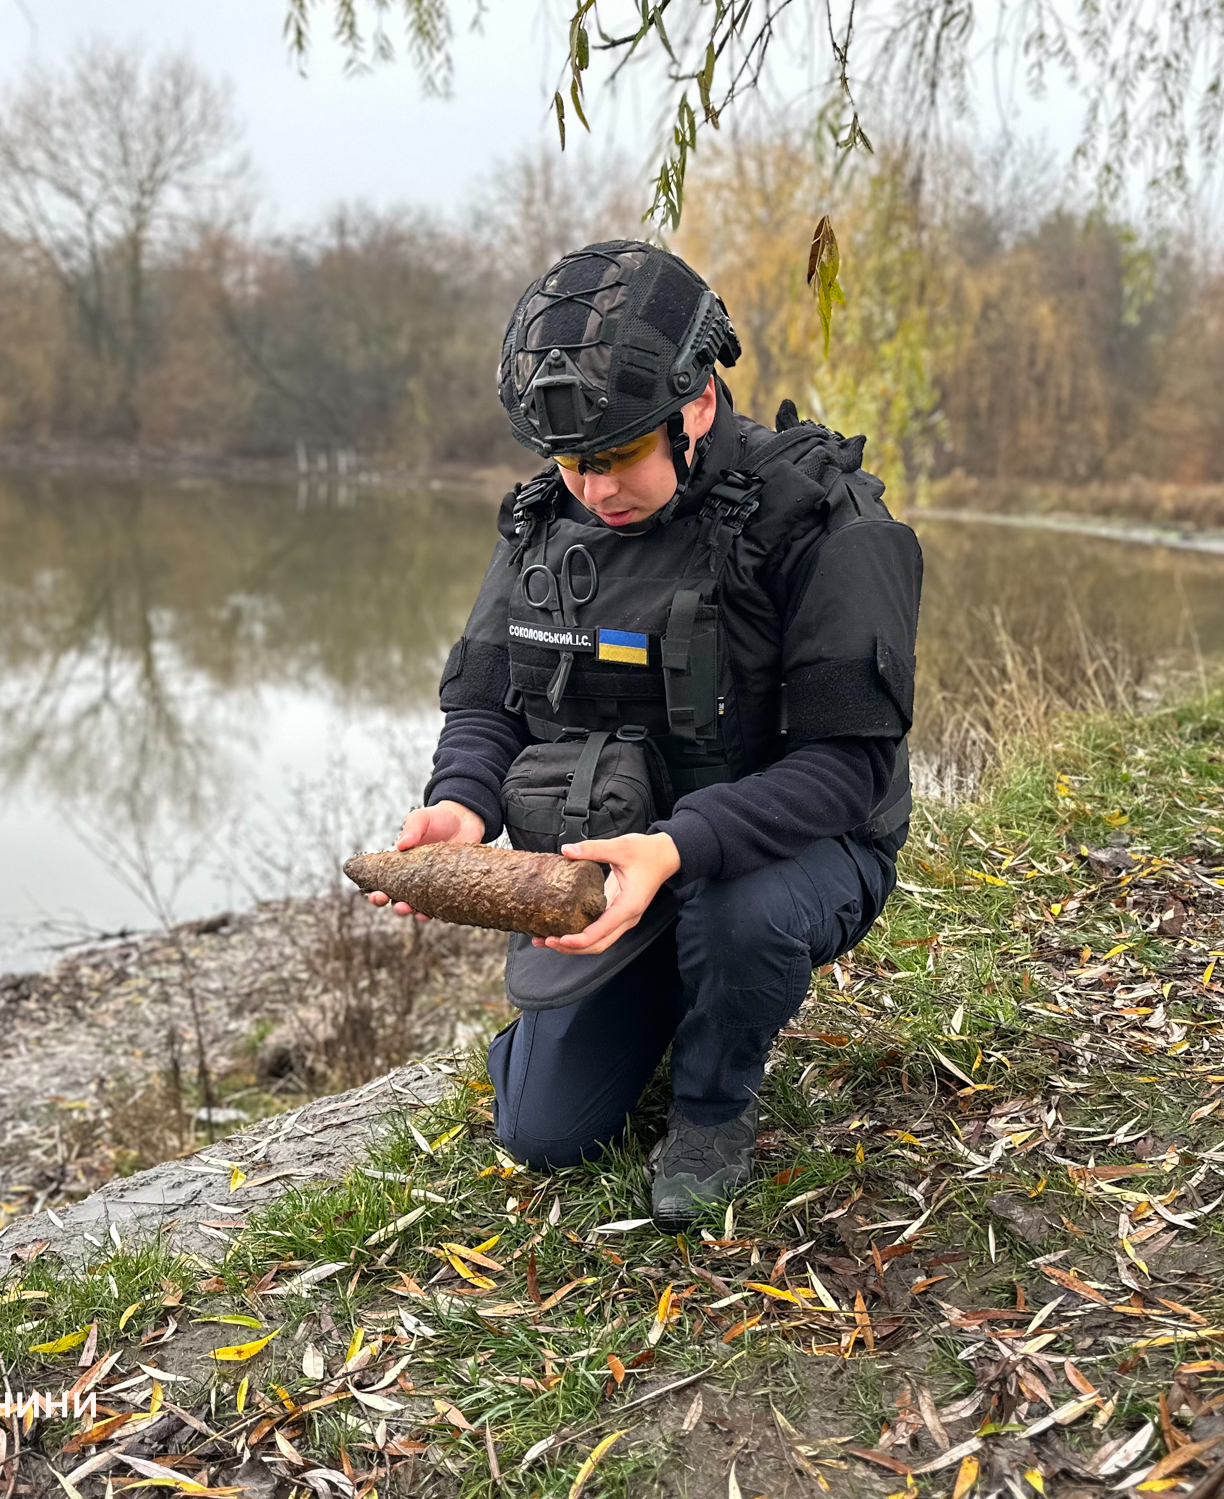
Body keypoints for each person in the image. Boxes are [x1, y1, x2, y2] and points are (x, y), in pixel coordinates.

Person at [365, 241, 922, 1228]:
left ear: (696, 404)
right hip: (617, 853)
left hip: (794, 849)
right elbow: (489, 701)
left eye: (616, 456)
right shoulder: (544, 522)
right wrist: (459, 802)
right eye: (569, 462)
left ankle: (711, 1107)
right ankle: (670, 988)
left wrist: (675, 848)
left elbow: (846, 771)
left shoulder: (820, 521)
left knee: (739, 919)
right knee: (543, 1136)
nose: (592, 487)